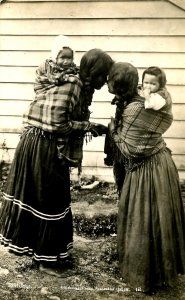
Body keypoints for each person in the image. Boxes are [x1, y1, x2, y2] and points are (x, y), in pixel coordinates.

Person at [0, 44, 113, 277]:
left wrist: (89, 126)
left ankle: (47, 253)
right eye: (104, 75)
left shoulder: (80, 87)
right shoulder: (74, 85)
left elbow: (64, 119)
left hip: (44, 143)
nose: (106, 81)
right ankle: (46, 262)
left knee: (50, 198)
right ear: (95, 73)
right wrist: (87, 126)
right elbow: (56, 124)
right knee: (48, 199)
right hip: (42, 144)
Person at [107, 62, 185, 293]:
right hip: (162, 164)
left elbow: (132, 149)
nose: (148, 86)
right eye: (144, 83)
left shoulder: (136, 108)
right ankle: (160, 272)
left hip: (144, 171)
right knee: (158, 218)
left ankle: (146, 275)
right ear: (137, 84)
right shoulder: (141, 105)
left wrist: (112, 131)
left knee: (143, 219)